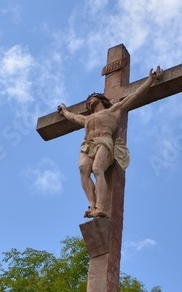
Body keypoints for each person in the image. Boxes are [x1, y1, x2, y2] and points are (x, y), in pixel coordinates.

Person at [58, 67, 160, 218]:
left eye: (92, 98)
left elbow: (136, 95)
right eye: (88, 101)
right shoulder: (87, 118)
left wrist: (150, 80)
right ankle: (92, 205)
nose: (89, 101)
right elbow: (72, 117)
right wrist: (64, 111)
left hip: (104, 140)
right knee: (83, 170)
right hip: (88, 144)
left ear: (100, 99)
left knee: (97, 169)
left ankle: (100, 206)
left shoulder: (113, 111)